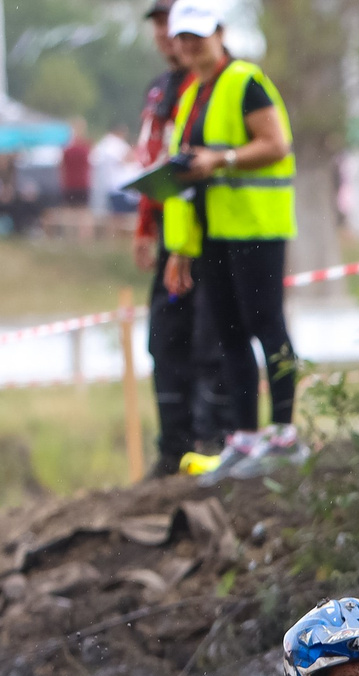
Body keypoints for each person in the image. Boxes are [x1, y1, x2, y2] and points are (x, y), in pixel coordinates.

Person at [161, 0, 298, 457]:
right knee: (230, 333)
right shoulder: (191, 96)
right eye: (183, 38)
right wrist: (180, 248)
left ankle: (283, 432)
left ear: (219, 34)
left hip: (256, 227)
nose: (190, 46)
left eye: (197, 36)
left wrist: (222, 160)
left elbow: (276, 144)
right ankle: (244, 438)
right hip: (215, 232)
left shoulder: (244, 81)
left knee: (267, 326)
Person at [132, 2, 197, 473]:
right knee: (164, 338)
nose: (163, 32)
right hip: (168, 232)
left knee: (208, 339)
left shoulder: (209, 84)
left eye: (168, 21)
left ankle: (210, 440)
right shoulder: (160, 88)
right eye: (157, 23)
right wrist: (144, 227)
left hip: (203, 236)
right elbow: (153, 161)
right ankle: (173, 447)